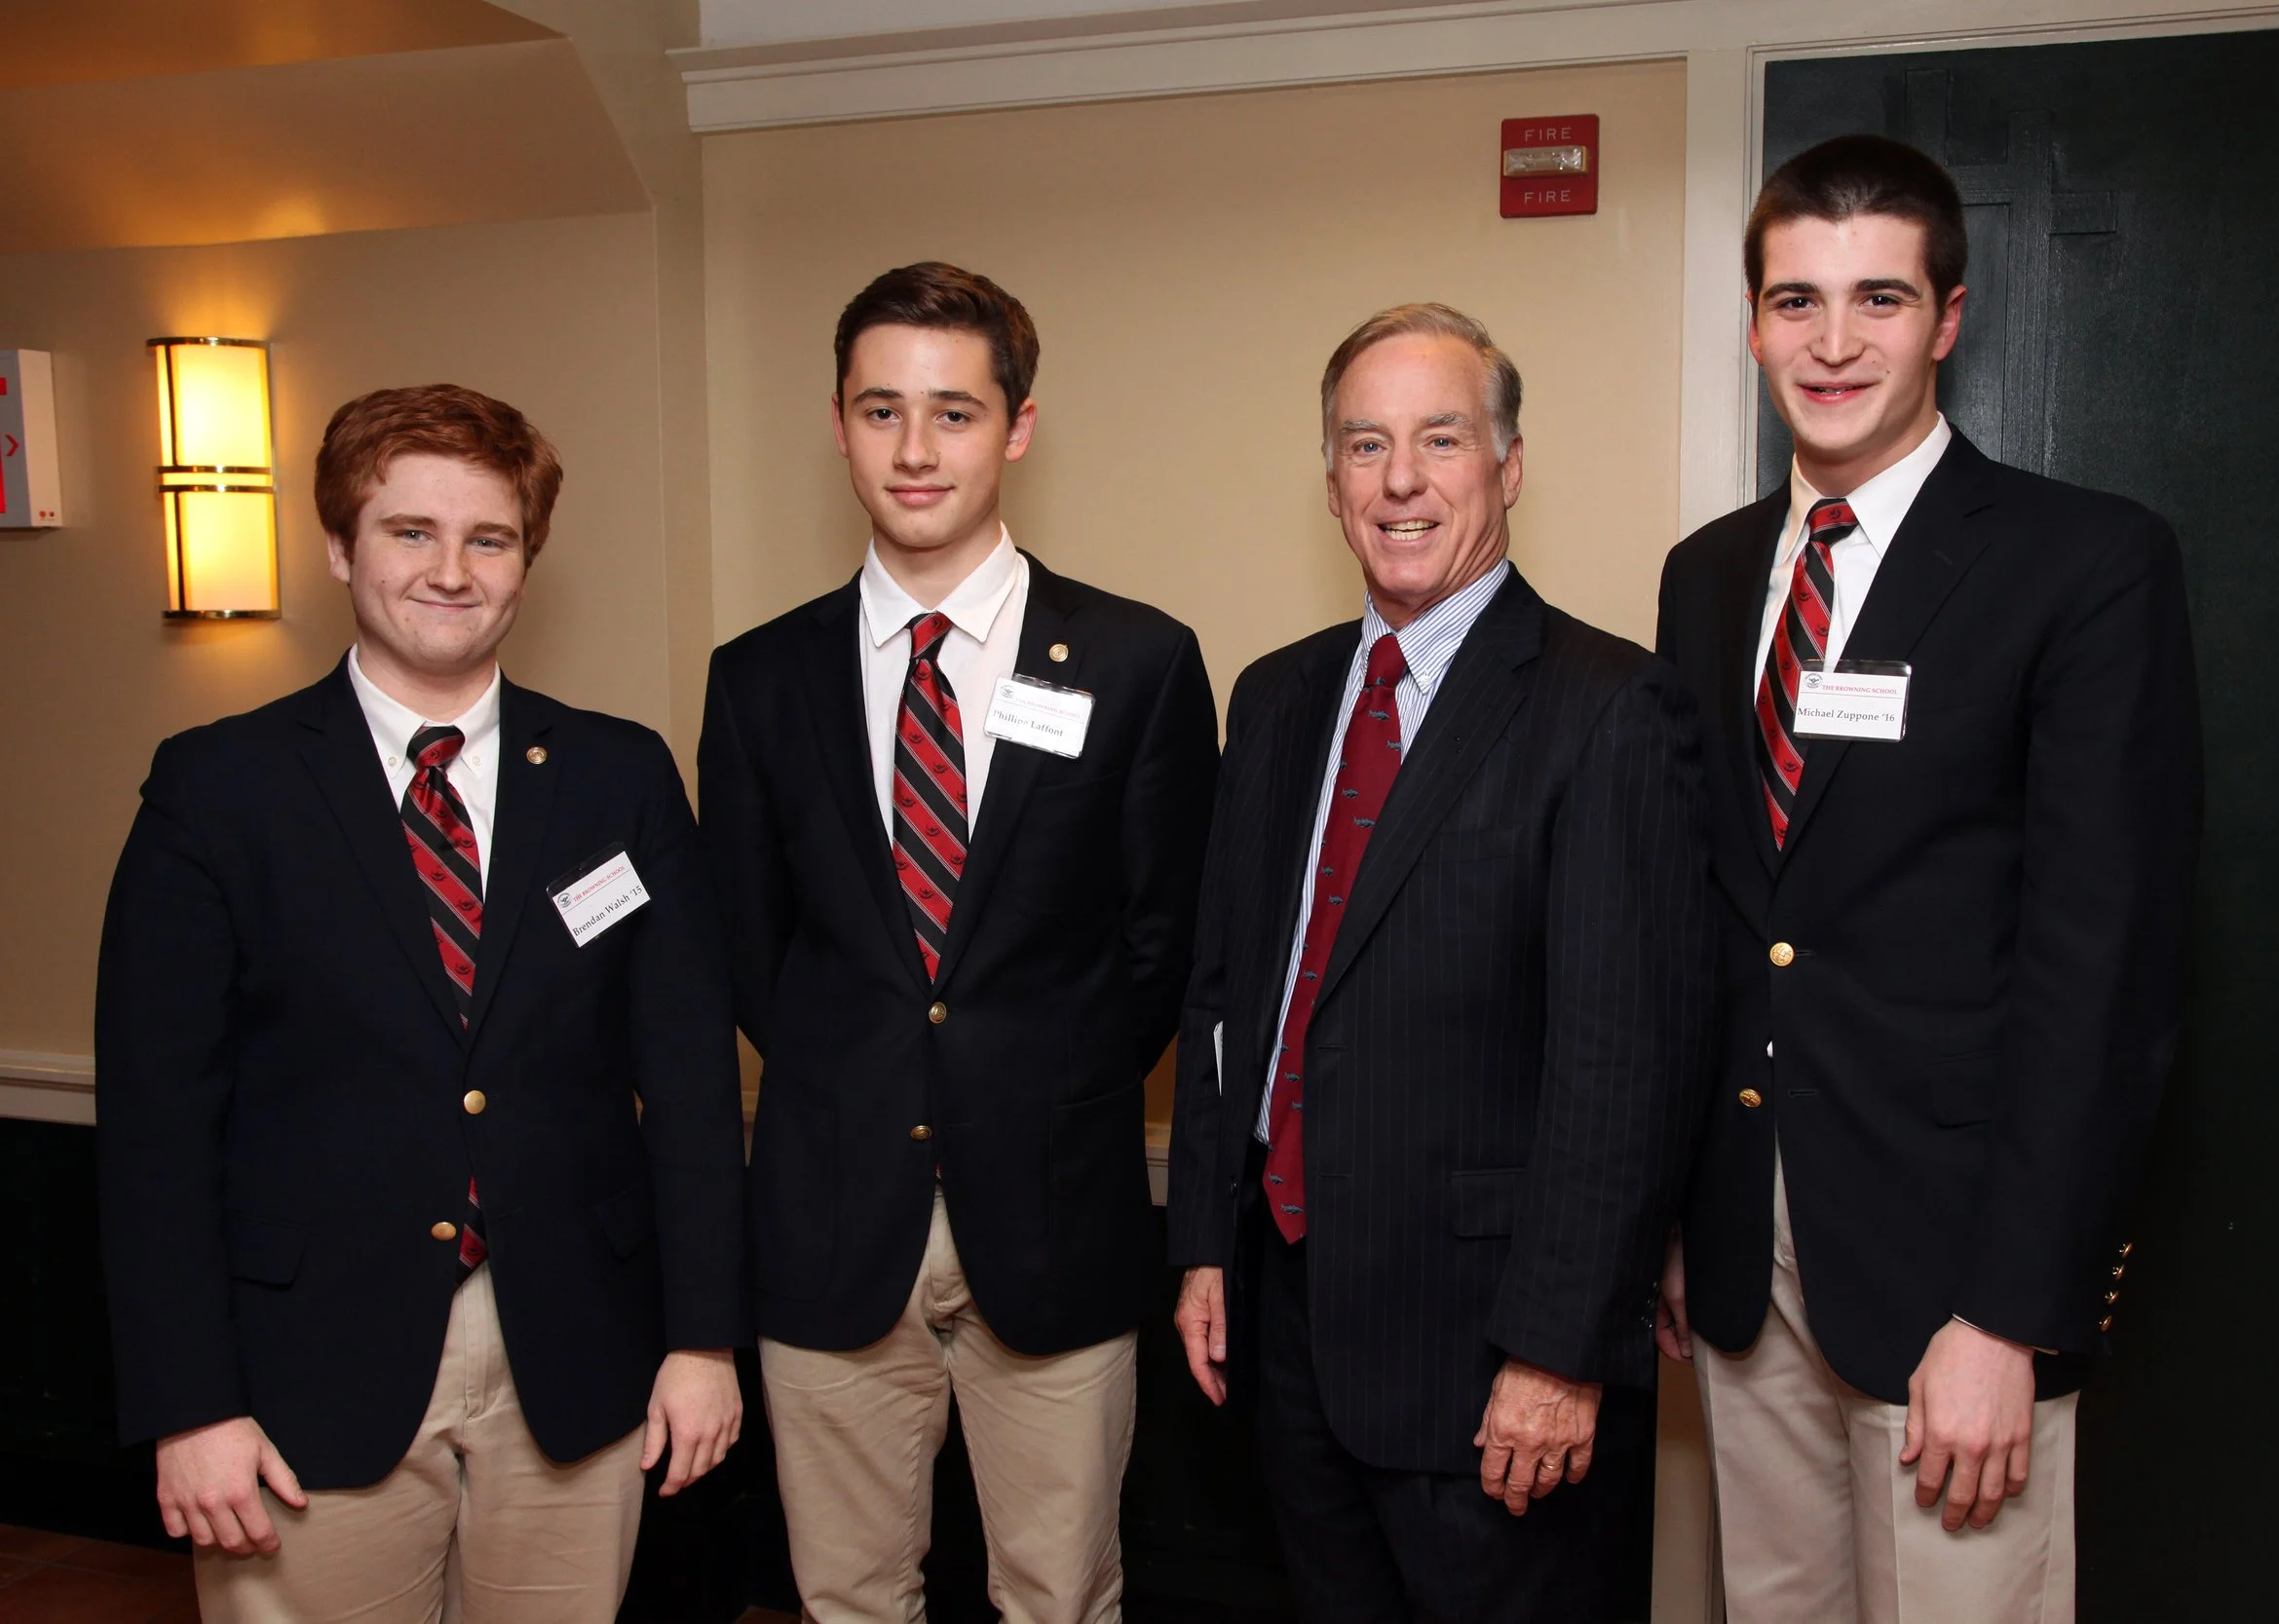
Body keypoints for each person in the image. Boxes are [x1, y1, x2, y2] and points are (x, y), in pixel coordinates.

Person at [1653, 133, 2203, 1621]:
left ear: (1948, 318)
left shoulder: (2084, 564)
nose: (1833, 343)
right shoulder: (1707, 575)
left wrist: (2014, 1312)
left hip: (1959, 1272)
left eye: (1879, 299)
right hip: (1748, 1263)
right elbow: (1716, 917)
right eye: (1797, 300)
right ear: (1754, 322)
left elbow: (2104, 971)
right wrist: (1686, 1217)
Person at [96, 384, 749, 1623]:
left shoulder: (617, 775)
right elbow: (154, 1132)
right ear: (340, 546)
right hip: (301, 1375)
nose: (451, 570)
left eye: (488, 538)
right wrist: (190, 1405)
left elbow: (689, 1084)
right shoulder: (220, 788)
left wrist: (703, 1339)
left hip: (578, 1355)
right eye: (411, 531)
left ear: (526, 559)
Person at [1166, 302, 1714, 1621]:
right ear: (1332, 480)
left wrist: (1558, 1351)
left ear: (1508, 465)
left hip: (1490, 1352)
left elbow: (1623, 1062)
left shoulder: (1607, 705)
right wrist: (1202, 1245)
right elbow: (1229, 989)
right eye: (1366, 444)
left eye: (1441, 439)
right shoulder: (1276, 697)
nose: (1400, 478)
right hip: (1288, 1326)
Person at [698, 261, 1218, 1624]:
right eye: (881, 410)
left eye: (954, 411)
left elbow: (1164, 946)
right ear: (839, 425)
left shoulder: (1139, 661)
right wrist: (866, 1080)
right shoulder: (758, 679)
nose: (915, 449)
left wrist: (1035, 1086)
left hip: (1057, 1218)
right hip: (829, 1224)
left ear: (1018, 426)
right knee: (847, 1598)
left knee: (1061, 1595)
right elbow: (749, 948)